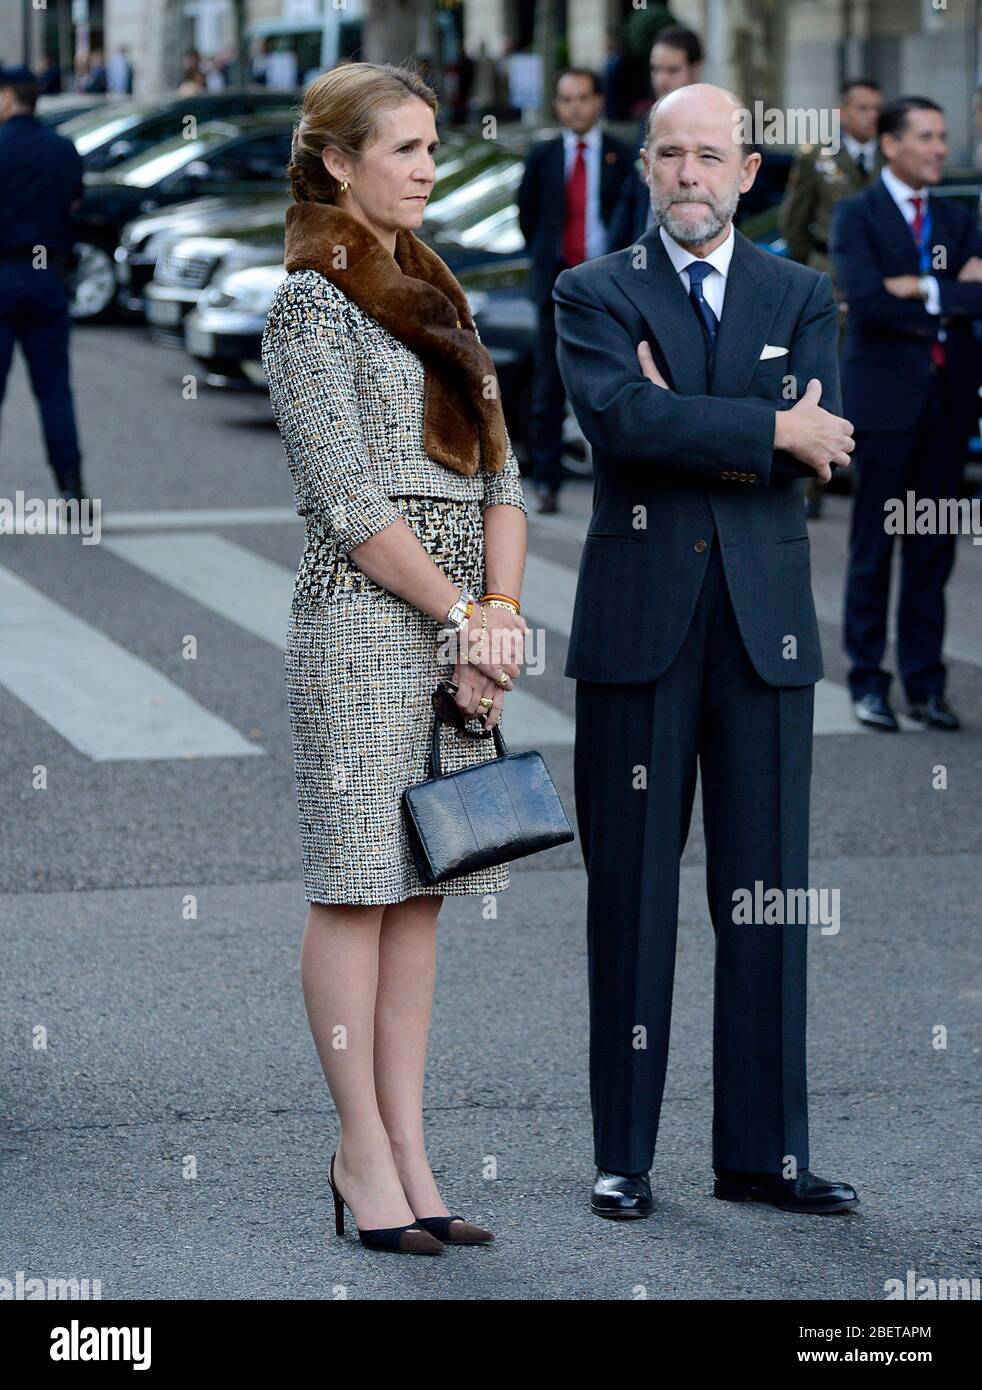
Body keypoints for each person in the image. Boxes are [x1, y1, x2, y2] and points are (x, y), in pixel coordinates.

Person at [554, 84, 860, 1220]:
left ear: (747, 175)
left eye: (711, 157)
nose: (689, 174)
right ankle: (623, 1155)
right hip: (640, 630)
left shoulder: (801, 290)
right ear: (646, 170)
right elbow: (619, 424)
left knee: (767, 898)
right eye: (669, 155)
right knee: (630, 896)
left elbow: (820, 446)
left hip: (765, 634)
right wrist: (762, 422)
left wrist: (712, 418)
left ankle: (764, 1155)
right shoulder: (592, 289)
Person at [261, 62, 528, 1256]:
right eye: (406, 149)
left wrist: (500, 609)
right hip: (363, 630)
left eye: (431, 147)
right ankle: (355, 1150)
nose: (427, 167)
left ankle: (411, 1153)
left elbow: (504, 483)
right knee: (356, 889)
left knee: (421, 896)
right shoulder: (309, 305)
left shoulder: (438, 291)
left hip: (461, 622)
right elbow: (350, 503)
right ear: (336, 162)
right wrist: (468, 617)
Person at [831, 97, 982, 733]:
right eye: (927, 136)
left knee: (933, 550)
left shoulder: (956, 215)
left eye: (944, 136)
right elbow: (866, 300)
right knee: (874, 547)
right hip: (884, 407)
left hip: (948, 409)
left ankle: (925, 684)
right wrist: (946, 296)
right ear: (891, 145)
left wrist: (917, 287)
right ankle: (869, 682)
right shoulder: (856, 215)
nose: (940, 148)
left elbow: (978, 296)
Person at [517, 68, 635, 513]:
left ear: (599, 101)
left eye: (583, 98)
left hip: (609, 287)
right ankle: (548, 480)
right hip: (557, 285)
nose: (575, 107)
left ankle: (618, 482)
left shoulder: (621, 157)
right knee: (550, 385)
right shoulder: (543, 156)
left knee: (614, 385)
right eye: (566, 99)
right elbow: (527, 218)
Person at [780, 78, 883, 518]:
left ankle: (873, 483)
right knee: (824, 383)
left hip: (878, 287)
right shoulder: (818, 158)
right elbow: (793, 223)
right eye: (862, 108)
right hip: (833, 279)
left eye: (877, 109)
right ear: (843, 111)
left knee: (874, 386)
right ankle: (813, 487)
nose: (871, 117)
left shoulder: (891, 158)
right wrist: (815, 275)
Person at [0, 65, 85, 502]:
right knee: (54, 390)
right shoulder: (62, 148)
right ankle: (71, 487)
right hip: (46, 277)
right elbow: (74, 203)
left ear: (8, 98)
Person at [607, 24, 704, 251]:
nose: (661, 79)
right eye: (656, 69)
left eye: (672, 70)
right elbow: (630, 196)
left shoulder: (719, 124)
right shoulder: (648, 122)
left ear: (695, 69)